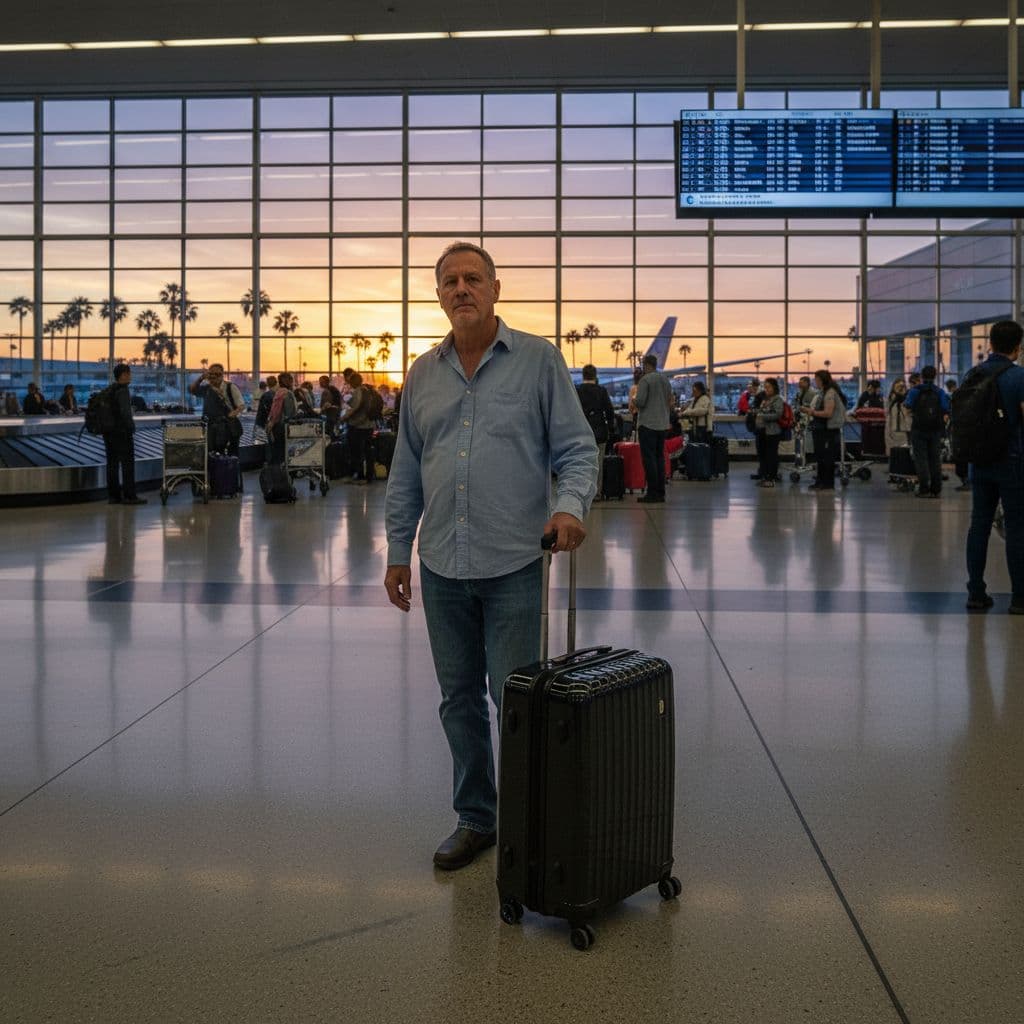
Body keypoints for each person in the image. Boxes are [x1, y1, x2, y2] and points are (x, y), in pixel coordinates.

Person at [384, 241, 597, 871]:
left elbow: (577, 450)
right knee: (458, 700)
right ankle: (476, 816)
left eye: (473, 278)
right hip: (441, 564)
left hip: (513, 563)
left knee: (516, 701)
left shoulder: (537, 360)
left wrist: (570, 507)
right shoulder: (422, 373)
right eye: (450, 281)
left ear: (496, 289)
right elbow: (406, 470)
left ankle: (528, 819)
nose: (462, 289)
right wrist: (398, 549)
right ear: (438, 296)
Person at [964, 320, 1024, 614]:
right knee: (1016, 527)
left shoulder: (972, 374)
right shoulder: (1019, 377)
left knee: (979, 525)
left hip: (979, 461)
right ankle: (1019, 597)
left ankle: (976, 592)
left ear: (990, 343)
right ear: (1018, 347)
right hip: (1012, 461)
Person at [904, 364, 950, 498]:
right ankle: (936, 490)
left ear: (922, 376)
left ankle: (924, 489)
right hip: (935, 430)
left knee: (921, 459)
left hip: (918, 429)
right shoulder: (940, 392)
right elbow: (945, 409)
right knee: (935, 459)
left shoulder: (915, 391)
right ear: (935, 376)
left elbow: (907, 407)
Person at [103, 363, 146, 505]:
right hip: (122, 432)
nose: (130, 376)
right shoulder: (123, 390)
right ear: (123, 375)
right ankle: (129, 496)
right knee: (128, 465)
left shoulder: (110, 389)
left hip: (109, 433)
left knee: (112, 464)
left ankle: (113, 496)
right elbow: (126, 413)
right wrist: (131, 427)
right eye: (128, 373)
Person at [634, 352, 674, 504]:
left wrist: (634, 399)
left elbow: (641, 401)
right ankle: (661, 492)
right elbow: (670, 399)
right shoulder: (665, 379)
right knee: (660, 458)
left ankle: (652, 493)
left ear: (646, 365)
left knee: (649, 460)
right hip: (662, 425)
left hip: (648, 424)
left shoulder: (645, 380)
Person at [576, 364, 615, 501]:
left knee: (581, 463)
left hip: (581, 433)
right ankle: (597, 493)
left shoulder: (576, 391)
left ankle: (581, 491)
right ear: (595, 375)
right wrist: (611, 428)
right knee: (598, 464)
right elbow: (609, 411)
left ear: (583, 375)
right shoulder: (601, 391)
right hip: (599, 432)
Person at [190, 363, 244, 459]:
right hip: (212, 429)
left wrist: (232, 414)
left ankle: (230, 467)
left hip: (228, 428)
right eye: (211, 374)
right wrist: (201, 378)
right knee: (213, 455)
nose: (214, 376)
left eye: (217, 374)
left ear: (222, 375)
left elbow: (241, 405)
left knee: (231, 456)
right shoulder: (207, 389)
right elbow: (193, 390)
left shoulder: (230, 387)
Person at [804, 369, 845, 490]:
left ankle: (827, 483)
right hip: (822, 429)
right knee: (821, 457)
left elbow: (828, 413)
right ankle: (820, 481)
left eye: (816, 379)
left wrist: (811, 412)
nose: (815, 382)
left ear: (822, 380)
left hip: (827, 430)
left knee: (826, 458)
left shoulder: (830, 393)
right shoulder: (823, 392)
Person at [338, 371, 375, 484]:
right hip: (368, 425)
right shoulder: (367, 390)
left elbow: (355, 408)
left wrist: (343, 418)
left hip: (358, 426)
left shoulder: (359, 391)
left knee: (357, 452)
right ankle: (368, 476)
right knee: (367, 451)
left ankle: (360, 476)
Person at [755, 377, 784, 488]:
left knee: (771, 455)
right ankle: (765, 476)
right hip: (762, 431)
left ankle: (771, 477)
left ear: (774, 387)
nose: (766, 389)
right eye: (765, 387)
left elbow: (778, 414)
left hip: (772, 432)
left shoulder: (777, 399)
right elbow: (761, 410)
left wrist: (762, 416)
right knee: (763, 455)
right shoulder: (765, 399)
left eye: (768, 387)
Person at [265, 371, 297, 465]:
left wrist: (271, 423)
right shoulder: (287, 393)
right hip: (283, 427)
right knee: (281, 454)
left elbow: (274, 411)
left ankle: (275, 470)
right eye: (291, 380)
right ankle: (278, 471)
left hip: (276, 426)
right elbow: (289, 413)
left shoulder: (279, 392)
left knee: (277, 453)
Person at [945, 378, 970, 491]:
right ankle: (967, 480)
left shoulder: (953, 397)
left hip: (958, 432)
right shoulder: (966, 397)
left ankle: (966, 481)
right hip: (965, 431)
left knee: (960, 458)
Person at [885, 379, 912, 450]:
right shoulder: (890, 399)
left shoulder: (908, 399)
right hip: (892, 429)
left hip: (905, 429)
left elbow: (908, 414)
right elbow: (887, 413)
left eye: (902, 386)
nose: (900, 389)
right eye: (898, 387)